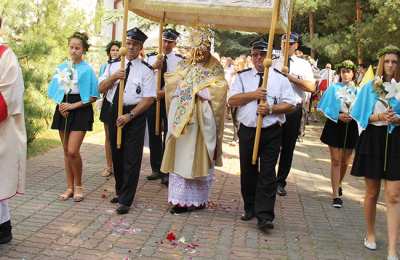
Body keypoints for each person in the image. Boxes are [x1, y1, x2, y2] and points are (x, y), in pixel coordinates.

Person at [228, 38, 296, 231]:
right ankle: (250, 207)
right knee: (248, 170)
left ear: (270, 57)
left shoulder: (280, 79)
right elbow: (232, 100)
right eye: (255, 54)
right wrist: (254, 95)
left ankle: (265, 215)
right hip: (248, 130)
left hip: (272, 131)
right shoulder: (241, 77)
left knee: (267, 173)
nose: (258, 58)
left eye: (262, 54)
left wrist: (272, 109)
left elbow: (290, 104)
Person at [160, 27, 228, 214]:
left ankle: (197, 200)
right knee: (180, 158)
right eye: (195, 51)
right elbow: (173, 83)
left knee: (196, 158)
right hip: (182, 120)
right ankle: (180, 200)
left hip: (200, 121)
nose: (198, 55)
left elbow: (221, 88)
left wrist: (203, 91)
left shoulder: (215, 66)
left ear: (207, 49)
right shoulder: (184, 64)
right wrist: (183, 86)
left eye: (202, 52)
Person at [98, 27, 156, 215]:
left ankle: (126, 200)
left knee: (132, 157)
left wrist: (130, 115)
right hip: (115, 111)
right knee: (117, 154)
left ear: (140, 47)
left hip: (134, 115)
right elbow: (101, 88)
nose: (131, 47)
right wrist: (114, 77)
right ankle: (120, 190)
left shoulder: (146, 70)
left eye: (135, 44)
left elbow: (148, 99)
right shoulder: (114, 66)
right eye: (128, 43)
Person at [350, 46, 400, 260]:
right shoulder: (371, 86)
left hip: (396, 140)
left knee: (394, 195)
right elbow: (358, 114)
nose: (390, 65)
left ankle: (392, 248)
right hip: (373, 139)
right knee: (372, 192)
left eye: (394, 62)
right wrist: (378, 118)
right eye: (387, 61)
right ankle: (370, 233)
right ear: (381, 63)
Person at [48, 32, 99, 202]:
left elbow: (92, 96)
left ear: (83, 49)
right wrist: (61, 106)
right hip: (64, 108)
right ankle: (69, 187)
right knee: (65, 151)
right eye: (71, 47)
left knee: (72, 150)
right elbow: (56, 91)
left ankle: (79, 186)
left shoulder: (88, 70)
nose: (74, 50)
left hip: (80, 109)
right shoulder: (62, 67)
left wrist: (73, 106)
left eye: (77, 48)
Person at [275, 33, 316, 196]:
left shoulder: (303, 65)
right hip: (276, 108)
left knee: (288, 147)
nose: (286, 46)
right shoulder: (272, 61)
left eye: (290, 44)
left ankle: (280, 181)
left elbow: (311, 87)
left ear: (296, 45)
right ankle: (268, 179)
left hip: (293, 109)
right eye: (283, 43)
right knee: (271, 145)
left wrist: (290, 77)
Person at [318, 60, 359, 208]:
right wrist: (338, 115)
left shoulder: (358, 90)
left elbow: (363, 109)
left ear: (353, 73)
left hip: (351, 125)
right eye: (343, 71)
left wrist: (353, 116)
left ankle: (339, 182)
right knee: (335, 160)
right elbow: (323, 107)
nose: (345, 74)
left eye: (348, 71)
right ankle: (335, 194)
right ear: (340, 73)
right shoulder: (333, 88)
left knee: (345, 161)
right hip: (335, 124)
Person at [145, 28, 184, 186]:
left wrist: (165, 92)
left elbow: (181, 82)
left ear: (175, 43)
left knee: (169, 133)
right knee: (154, 134)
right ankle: (156, 167)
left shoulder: (180, 60)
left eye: (170, 42)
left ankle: (166, 169)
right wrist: (154, 66)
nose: (166, 44)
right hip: (153, 100)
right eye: (164, 41)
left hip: (170, 101)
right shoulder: (150, 58)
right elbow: (143, 76)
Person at [0, 16, 26, 244]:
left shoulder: (6, 56)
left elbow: (8, 97)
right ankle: (4, 228)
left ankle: (3, 229)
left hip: (2, 129)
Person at [99, 40, 121, 177]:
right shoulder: (106, 66)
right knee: (108, 136)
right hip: (108, 102)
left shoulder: (125, 65)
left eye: (117, 49)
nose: (114, 52)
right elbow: (101, 86)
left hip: (121, 103)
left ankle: (120, 165)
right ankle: (109, 166)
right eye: (112, 50)